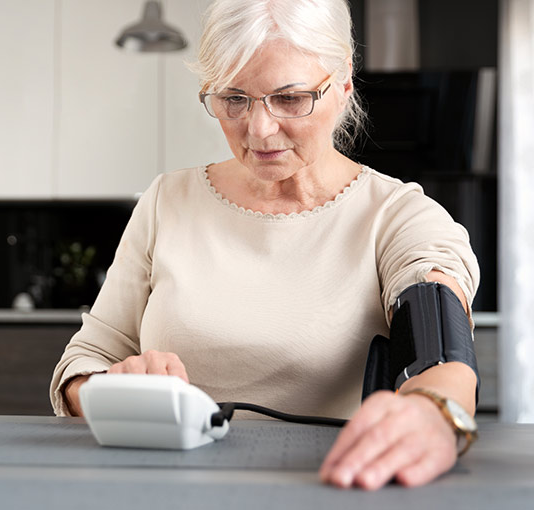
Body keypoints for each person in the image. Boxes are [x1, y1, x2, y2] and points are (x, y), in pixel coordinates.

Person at [50, 0, 479, 491]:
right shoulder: (167, 201)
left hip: (327, 487)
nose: (259, 129)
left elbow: (440, 347)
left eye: (291, 98)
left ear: (342, 85)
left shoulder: (397, 215)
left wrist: (434, 411)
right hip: (161, 489)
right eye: (233, 99)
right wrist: (114, 389)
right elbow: (80, 365)